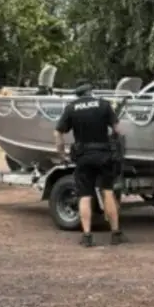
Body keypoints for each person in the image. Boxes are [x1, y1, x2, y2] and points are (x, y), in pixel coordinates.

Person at [54, 83, 126, 247]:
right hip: (103, 155)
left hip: (83, 157)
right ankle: (115, 233)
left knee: (85, 196)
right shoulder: (104, 104)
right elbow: (119, 130)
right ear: (91, 92)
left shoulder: (72, 108)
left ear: (78, 94)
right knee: (107, 192)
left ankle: (87, 236)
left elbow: (57, 132)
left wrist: (62, 153)